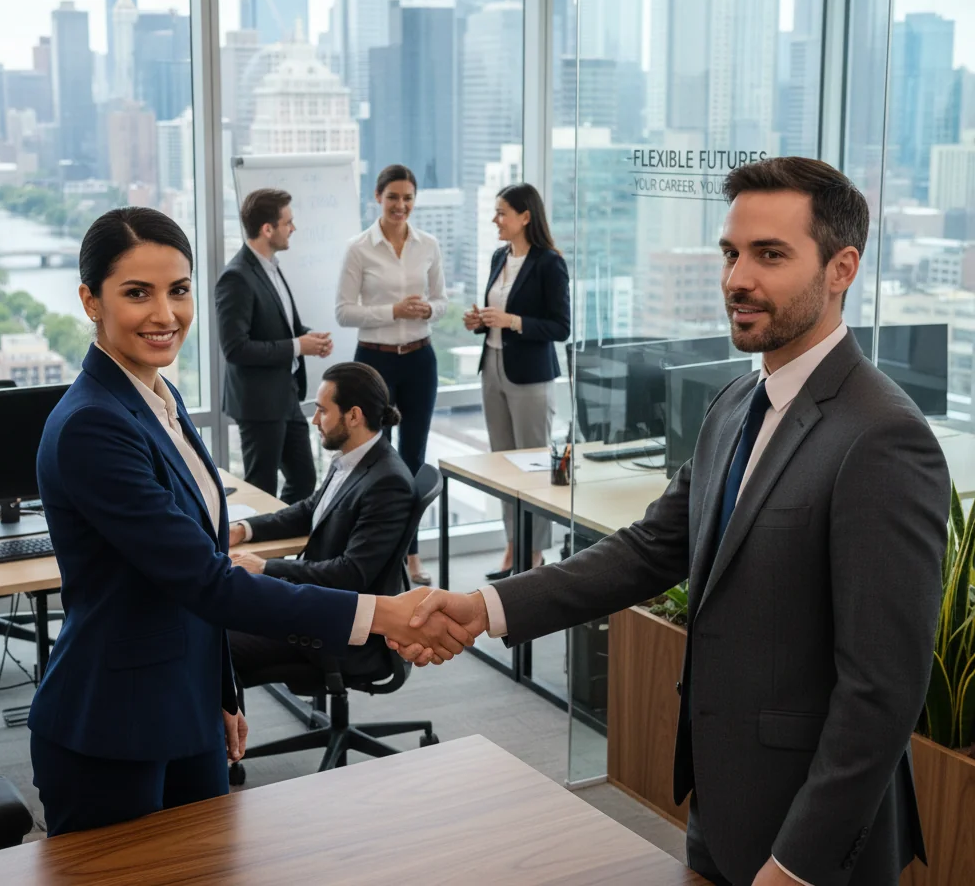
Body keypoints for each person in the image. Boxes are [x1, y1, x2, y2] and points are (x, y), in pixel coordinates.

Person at [399, 158, 950, 886]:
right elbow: (647, 552)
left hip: (812, 846)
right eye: (731, 253)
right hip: (722, 809)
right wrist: (482, 606)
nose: (737, 279)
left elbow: (883, 691)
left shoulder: (882, 437)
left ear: (842, 267)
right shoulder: (734, 405)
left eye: (770, 255)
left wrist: (797, 863)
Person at [28, 207, 472, 836]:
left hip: (188, 706)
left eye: (178, 291)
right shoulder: (92, 425)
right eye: (137, 293)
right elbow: (207, 581)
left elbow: (192, 577)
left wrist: (222, 688)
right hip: (113, 721)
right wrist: (382, 612)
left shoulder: (158, 397)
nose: (165, 314)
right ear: (90, 300)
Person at [227, 361, 415, 685]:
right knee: (213, 616)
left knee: (212, 641)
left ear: (353, 416)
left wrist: (266, 568)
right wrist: (245, 529)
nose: (315, 420)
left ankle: (222, 734)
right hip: (314, 602)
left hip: (337, 631)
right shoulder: (353, 458)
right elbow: (310, 510)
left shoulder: (387, 483)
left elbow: (350, 574)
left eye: (322, 411)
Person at [336, 164, 448, 586]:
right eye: (392, 198)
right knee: (373, 457)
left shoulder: (429, 244)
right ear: (377, 198)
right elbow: (343, 312)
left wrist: (427, 309)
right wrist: (393, 311)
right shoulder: (359, 248)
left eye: (408, 198)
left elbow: (441, 300)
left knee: (414, 456)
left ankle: (411, 555)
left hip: (420, 358)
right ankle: (371, 553)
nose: (401, 206)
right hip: (375, 362)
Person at [465, 183, 570, 580]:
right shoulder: (499, 257)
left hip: (530, 376)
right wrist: (480, 322)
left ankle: (535, 553)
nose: (495, 220)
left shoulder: (548, 263)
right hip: (492, 366)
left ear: (525, 216)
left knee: (533, 466)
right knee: (504, 464)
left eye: (501, 213)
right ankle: (513, 548)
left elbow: (560, 327)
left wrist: (511, 321)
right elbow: (496, 313)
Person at [216, 188, 333, 504]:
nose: (293, 228)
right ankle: (257, 552)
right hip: (258, 404)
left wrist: (309, 338)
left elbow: (281, 325)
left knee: (305, 480)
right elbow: (235, 348)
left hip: (287, 395)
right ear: (267, 229)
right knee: (261, 489)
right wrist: (298, 346)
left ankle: (284, 550)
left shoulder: (272, 266)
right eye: (288, 222)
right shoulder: (236, 277)